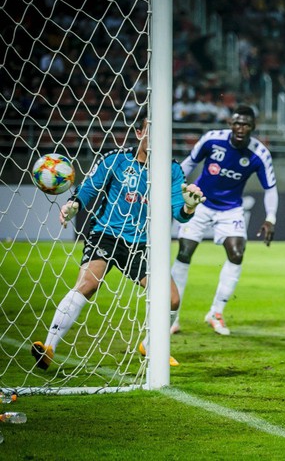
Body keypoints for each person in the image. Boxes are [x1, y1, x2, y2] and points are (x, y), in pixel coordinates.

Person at [31, 111, 205, 370]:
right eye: (149, 130)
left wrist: (190, 207)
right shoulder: (116, 160)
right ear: (138, 133)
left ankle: (152, 345)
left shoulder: (172, 170)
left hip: (143, 244)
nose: (156, 137)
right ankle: (49, 347)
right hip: (107, 234)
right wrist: (73, 205)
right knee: (88, 284)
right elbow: (89, 187)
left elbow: (180, 211)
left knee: (171, 300)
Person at [170, 106, 278, 335]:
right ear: (230, 123)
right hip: (199, 202)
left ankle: (216, 312)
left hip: (230, 209)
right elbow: (189, 162)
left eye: (246, 124)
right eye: (237, 123)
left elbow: (270, 189)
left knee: (237, 253)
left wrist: (270, 218)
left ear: (252, 127)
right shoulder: (212, 139)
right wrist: (173, 187)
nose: (240, 128)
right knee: (184, 252)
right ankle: (173, 316)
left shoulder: (259, 153)